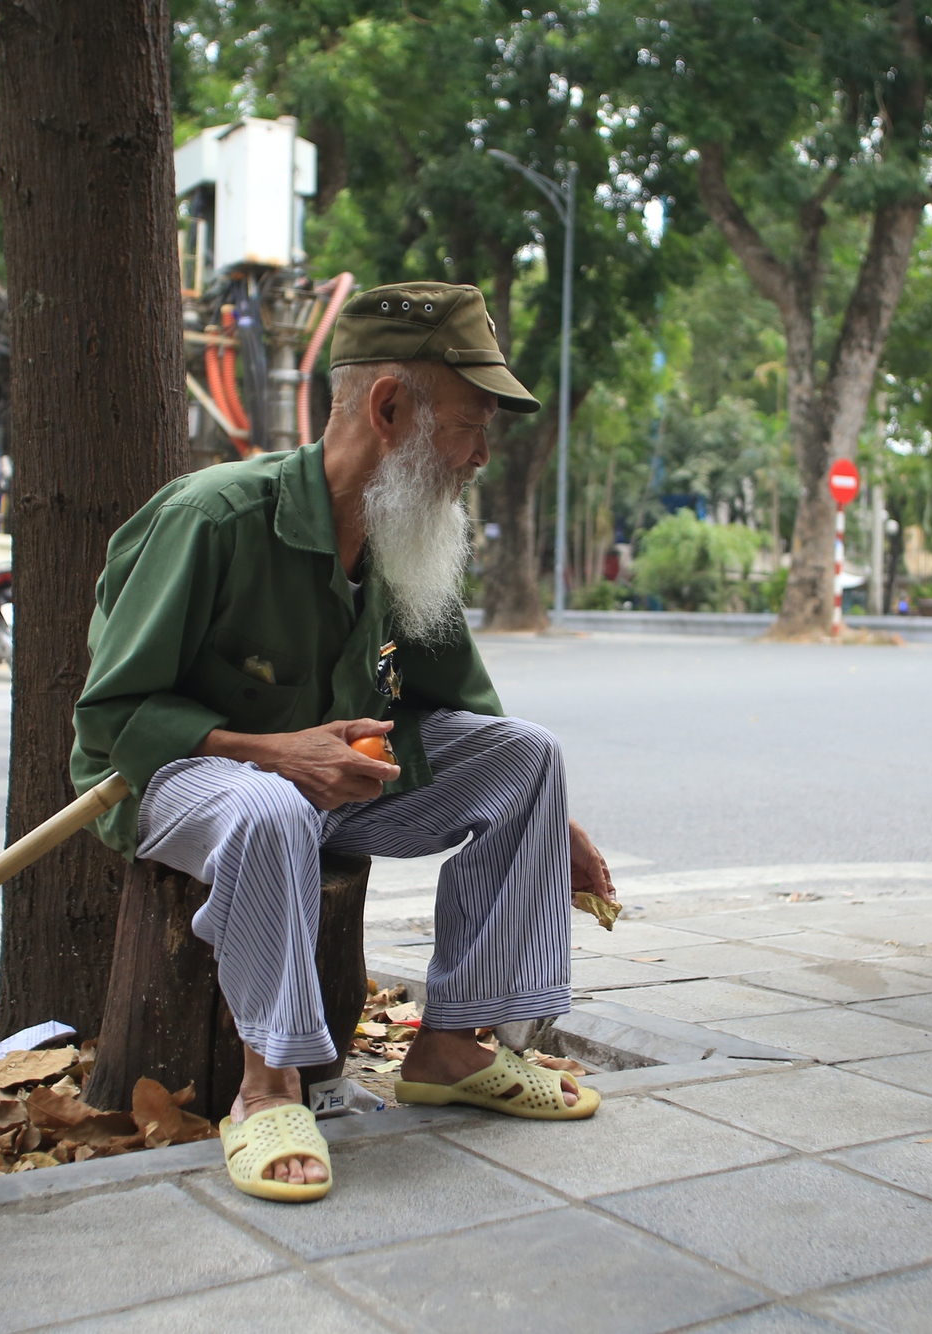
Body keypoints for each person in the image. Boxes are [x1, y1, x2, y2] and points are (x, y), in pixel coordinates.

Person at [71, 281, 615, 1203]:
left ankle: (452, 1047)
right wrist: (278, 753)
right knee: (270, 806)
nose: (481, 457)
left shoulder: (403, 533)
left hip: (334, 791)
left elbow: (464, 708)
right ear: (389, 409)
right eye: (468, 426)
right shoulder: (213, 518)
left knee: (527, 756)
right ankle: (268, 1088)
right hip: (181, 781)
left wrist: (547, 817)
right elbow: (113, 719)